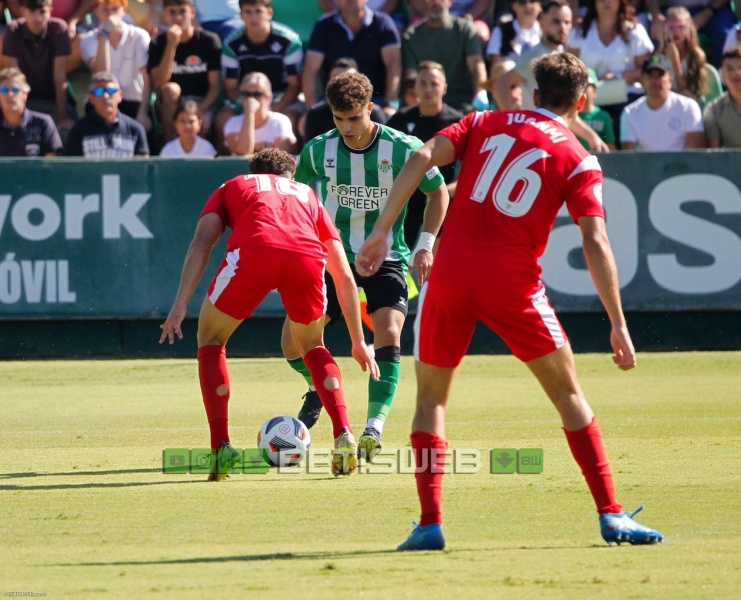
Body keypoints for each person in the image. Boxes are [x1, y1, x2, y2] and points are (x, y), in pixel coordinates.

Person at [355, 52, 664, 551]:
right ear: (582, 101)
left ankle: (430, 523)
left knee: (431, 400)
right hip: (514, 283)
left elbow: (418, 157)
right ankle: (611, 515)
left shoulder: (482, 121)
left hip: (450, 274)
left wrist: (381, 232)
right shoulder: (579, 158)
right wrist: (618, 323)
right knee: (569, 396)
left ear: (536, 95)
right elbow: (596, 240)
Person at [159, 147, 379, 479]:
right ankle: (344, 432)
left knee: (211, 340)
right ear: (289, 175)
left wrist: (179, 305)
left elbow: (202, 243)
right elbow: (343, 275)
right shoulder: (307, 194)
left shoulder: (234, 185)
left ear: (256, 171)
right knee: (314, 347)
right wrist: (358, 340)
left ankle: (221, 447)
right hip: (306, 260)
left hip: (254, 252)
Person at [283, 71, 449, 461]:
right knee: (291, 343)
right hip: (332, 256)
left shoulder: (403, 147)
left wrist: (426, 246)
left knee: (389, 331)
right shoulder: (316, 151)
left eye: (354, 118)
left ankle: (374, 426)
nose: (346, 128)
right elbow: (297, 197)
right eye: (339, 120)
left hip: (388, 256)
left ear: (370, 109)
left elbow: (438, 193)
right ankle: (320, 389)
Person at [494, 0, 610, 152]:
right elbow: (500, 85)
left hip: (546, 139)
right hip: (536, 142)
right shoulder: (539, 55)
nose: (562, 28)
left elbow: (562, 109)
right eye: (556, 22)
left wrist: (591, 136)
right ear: (541, 22)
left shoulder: (557, 53)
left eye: (567, 22)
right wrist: (518, 123)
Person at [386, 61, 463, 250]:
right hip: (407, 199)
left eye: (434, 84)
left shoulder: (457, 122)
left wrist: (448, 190)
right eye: (423, 83)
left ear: (444, 88)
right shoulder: (400, 120)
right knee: (398, 256)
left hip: (444, 200)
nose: (428, 89)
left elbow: (474, 166)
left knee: (437, 260)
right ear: (415, 87)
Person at [215, 0, 303, 153]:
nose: (253, 17)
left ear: (269, 13)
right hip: (245, 96)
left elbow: (295, 85)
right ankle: (224, 166)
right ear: (241, 15)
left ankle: (288, 169)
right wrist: (248, 105)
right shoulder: (231, 44)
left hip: (281, 97)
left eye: (258, 11)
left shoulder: (289, 41)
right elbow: (230, 87)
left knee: (291, 118)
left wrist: (273, 107)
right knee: (223, 118)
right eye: (248, 12)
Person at [565, 0, 653, 147]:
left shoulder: (635, 31)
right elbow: (570, 66)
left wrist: (618, 76)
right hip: (586, 99)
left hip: (627, 98)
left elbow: (645, 71)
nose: (607, 2)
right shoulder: (579, 32)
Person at [302, 0, 402, 116]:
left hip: (375, 102)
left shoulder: (383, 23)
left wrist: (389, 104)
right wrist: (310, 109)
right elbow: (310, 69)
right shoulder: (323, 25)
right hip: (332, 102)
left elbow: (394, 65)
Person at [147, 0, 221, 142]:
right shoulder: (158, 43)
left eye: (182, 11)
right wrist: (171, 45)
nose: (178, 17)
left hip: (202, 101)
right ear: (165, 15)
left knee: (197, 122)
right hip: (171, 103)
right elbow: (158, 83)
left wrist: (200, 110)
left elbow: (215, 86)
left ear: (192, 13)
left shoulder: (209, 41)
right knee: (170, 89)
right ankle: (168, 149)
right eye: (172, 12)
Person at [2, 0, 77, 136]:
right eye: (32, 11)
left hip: (53, 101)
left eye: (42, 12)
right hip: (25, 101)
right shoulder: (13, 30)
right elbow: (15, 79)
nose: (37, 18)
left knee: (66, 134)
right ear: (23, 11)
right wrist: (19, 116)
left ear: (50, 11)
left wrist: (63, 119)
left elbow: (59, 78)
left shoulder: (59, 29)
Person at [402, 0, 488, 114]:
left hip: (463, 107)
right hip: (427, 109)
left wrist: (479, 99)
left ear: (450, 1)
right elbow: (411, 77)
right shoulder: (411, 36)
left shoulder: (465, 29)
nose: (435, 2)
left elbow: (477, 68)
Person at [79, 0, 152, 128]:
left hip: (134, 101)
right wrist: (105, 35)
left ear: (124, 11)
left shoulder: (139, 36)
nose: (110, 14)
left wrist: (143, 112)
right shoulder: (88, 40)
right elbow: (102, 74)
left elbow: (147, 78)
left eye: (115, 9)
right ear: (96, 11)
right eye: (105, 9)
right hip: (103, 100)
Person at [620, 53, 705, 150]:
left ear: (670, 80)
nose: (655, 81)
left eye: (660, 75)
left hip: (681, 165)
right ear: (642, 80)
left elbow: (696, 154)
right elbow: (629, 157)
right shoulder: (630, 113)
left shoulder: (688, 107)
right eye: (650, 76)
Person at [301, 56, 386, 143]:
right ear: (328, 83)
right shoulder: (315, 113)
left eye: (354, 118)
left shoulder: (375, 113)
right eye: (336, 78)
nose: (344, 84)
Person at [64, 70, 149, 155]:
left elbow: (143, 166)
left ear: (119, 96)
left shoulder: (135, 130)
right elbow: (71, 166)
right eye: (99, 92)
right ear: (91, 98)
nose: (105, 96)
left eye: (110, 91)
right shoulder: (79, 130)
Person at [222, 71, 296, 156]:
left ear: (268, 97)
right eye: (246, 94)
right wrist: (249, 113)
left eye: (257, 94)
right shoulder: (233, 123)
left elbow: (281, 156)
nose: (251, 99)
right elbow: (243, 152)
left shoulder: (280, 121)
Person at [645, 0, 735, 68]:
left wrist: (708, 13)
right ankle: (658, 79)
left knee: (726, 35)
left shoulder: (699, 55)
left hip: (714, 8)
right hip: (672, 10)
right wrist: (656, 15)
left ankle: (727, 86)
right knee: (658, 34)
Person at [0, 66, 62, 155]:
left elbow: (51, 164)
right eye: (4, 90)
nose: (10, 94)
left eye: (15, 90)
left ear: (25, 94)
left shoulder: (43, 123)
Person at [655, 6, 708, 102]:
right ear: (665, 30)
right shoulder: (659, 55)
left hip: (690, 101)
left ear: (689, 31)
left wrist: (675, 62)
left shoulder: (696, 55)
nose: (676, 31)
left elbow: (688, 92)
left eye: (681, 27)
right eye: (671, 27)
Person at [703, 48, 741, 148]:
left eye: (740, 67)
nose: (736, 73)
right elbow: (714, 155)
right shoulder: (713, 110)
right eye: (729, 69)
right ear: (722, 74)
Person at [486, 0, 542, 67]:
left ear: (540, 5)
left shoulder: (548, 31)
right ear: (514, 6)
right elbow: (496, 67)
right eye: (522, 2)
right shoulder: (501, 30)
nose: (528, 6)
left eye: (532, 1)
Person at [577, 67, 616, 150]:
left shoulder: (604, 116)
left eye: (586, 85)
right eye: (580, 85)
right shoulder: (570, 115)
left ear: (595, 91)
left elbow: (610, 145)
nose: (582, 89)